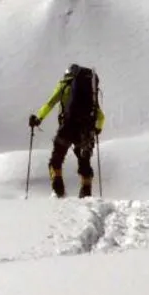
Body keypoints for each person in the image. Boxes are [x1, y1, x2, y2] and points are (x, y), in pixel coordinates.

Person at [29, 63, 104, 198]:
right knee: (84, 163)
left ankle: (58, 191)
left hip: (67, 127)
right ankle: (86, 195)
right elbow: (101, 116)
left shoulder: (63, 85)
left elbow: (50, 103)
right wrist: (97, 129)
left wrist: (38, 118)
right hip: (85, 131)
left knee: (56, 159)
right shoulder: (90, 91)